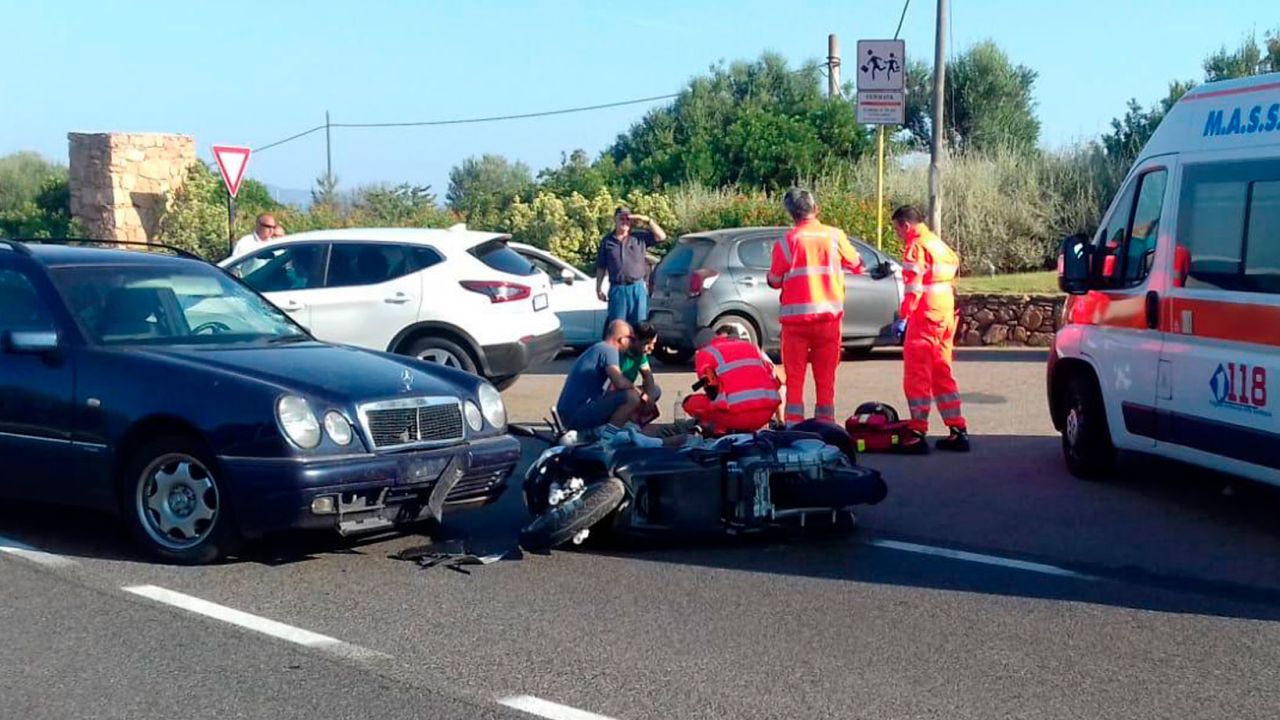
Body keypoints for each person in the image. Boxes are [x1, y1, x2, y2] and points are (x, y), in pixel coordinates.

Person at [766, 188, 864, 425]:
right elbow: (857, 264)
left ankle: (793, 425)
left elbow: (774, 281)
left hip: (795, 323)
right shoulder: (834, 236)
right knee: (826, 378)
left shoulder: (786, 242)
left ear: (792, 215)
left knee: (795, 379)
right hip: (828, 321)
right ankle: (826, 425)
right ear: (816, 209)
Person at [891, 205, 969, 452]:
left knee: (917, 374)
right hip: (945, 313)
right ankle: (957, 428)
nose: (898, 235)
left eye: (897, 230)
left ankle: (916, 432)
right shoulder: (939, 244)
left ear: (906, 225)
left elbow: (913, 287)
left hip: (925, 315)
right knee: (941, 371)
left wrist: (904, 316)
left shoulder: (917, 247)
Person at [681, 327, 782, 436]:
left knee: (690, 403)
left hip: (735, 417)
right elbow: (774, 379)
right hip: (766, 413)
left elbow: (712, 391)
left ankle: (717, 430)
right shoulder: (750, 346)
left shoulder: (705, 353)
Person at [556, 319, 643, 437]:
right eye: (631, 339)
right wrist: (638, 392)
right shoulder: (609, 350)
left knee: (624, 401)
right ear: (622, 339)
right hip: (575, 415)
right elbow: (619, 383)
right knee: (632, 397)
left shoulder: (598, 348)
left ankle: (606, 431)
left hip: (568, 413)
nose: (632, 343)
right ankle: (607, 438)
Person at [596, 207, 666, 330]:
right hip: (618, 289)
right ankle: (619, 350)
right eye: (621, 218)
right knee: (618, 328)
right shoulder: (607, 241)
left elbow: (661, 237)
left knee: (639, 328)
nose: (624, 222)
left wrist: (647, 220)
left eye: (627, 219)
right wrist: (598, 288)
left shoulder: (639, 237)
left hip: (637, 288)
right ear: (615, 219)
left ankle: (636, 350)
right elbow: (601, 266)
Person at [619, 322, 662, 426]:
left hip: (629, 391)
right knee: (633, 396)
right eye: (647, 343)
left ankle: (634, 421)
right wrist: (642, 395)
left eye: (654, 343)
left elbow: (648, 376)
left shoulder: (641, 354)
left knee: (655, 390)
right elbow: (617, 384)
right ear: (635, 340)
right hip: (615, 392)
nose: (651, 348)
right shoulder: (619, 353)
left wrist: (649, 397)